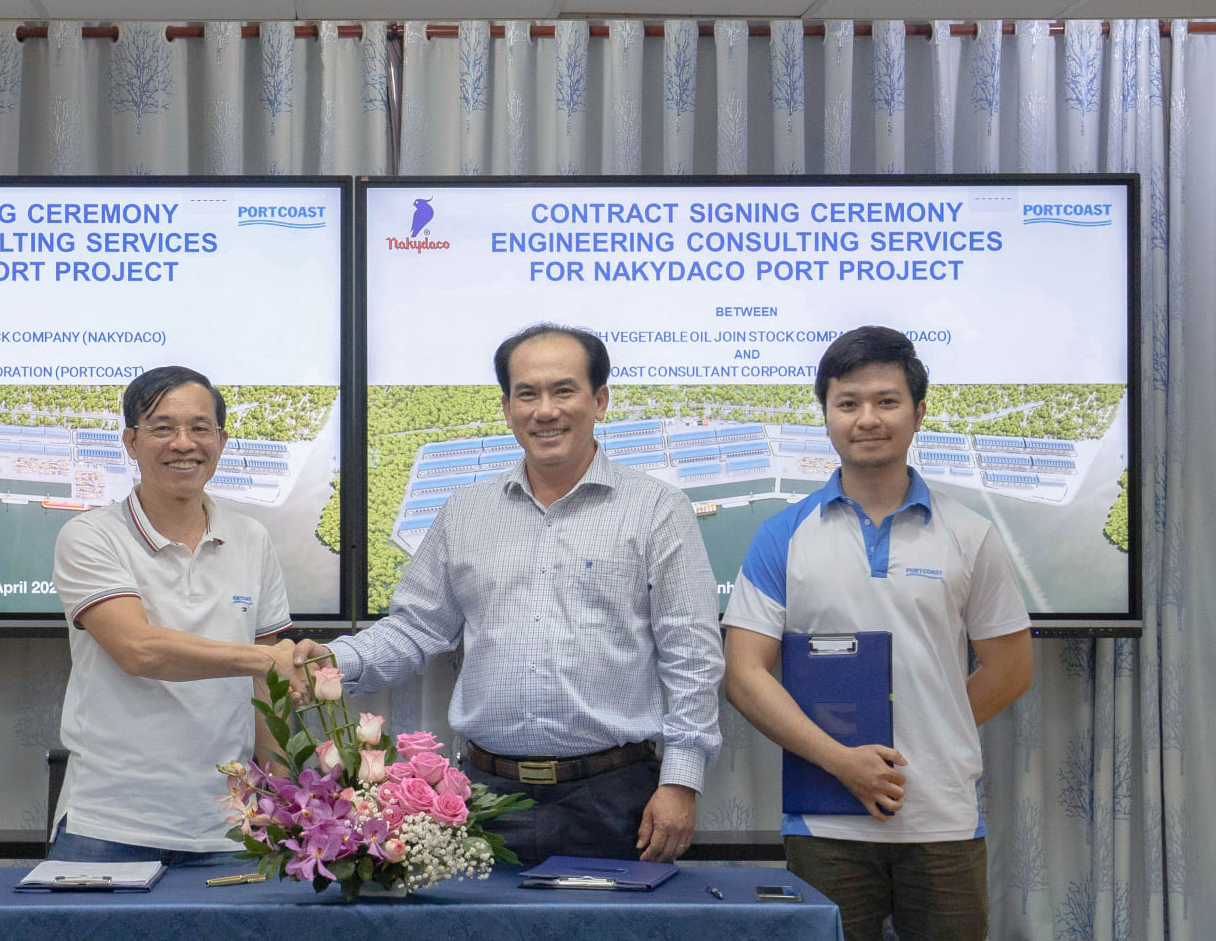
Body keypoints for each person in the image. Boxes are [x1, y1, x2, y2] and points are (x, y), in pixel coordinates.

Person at [293, 324, 723, 864]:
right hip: (484, 798)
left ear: (600, 400)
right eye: (527, 394)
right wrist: (332, 663)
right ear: (507, 408)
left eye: (563, 391)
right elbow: (415, 628)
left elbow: (692, 655)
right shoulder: (465, 512)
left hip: (616, 799)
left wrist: (681, 780)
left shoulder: (657, 509)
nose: (545, 411)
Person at [721, 325, 1033, 941]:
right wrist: (841, 761)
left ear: (919, 412)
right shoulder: (782, 536)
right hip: (825, 821)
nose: (867, 419)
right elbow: (744, 674)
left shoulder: (970, 535)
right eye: (848, 403)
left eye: (887, 401)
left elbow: (1010, 668)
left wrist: (930, 727)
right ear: (827, 415)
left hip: (941, 819)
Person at [49, 365, 304, 865]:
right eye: (162, 428)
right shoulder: (90, 536)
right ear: (131, 441)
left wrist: (276, 795)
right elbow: (139, 650)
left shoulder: (251, 538)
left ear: (221, 441)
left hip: (228, 828)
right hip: (108, 825)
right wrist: (263, 660)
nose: (183, 443)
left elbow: (267, 688)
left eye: (200, 428)